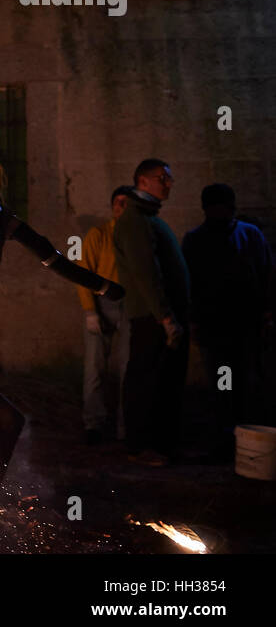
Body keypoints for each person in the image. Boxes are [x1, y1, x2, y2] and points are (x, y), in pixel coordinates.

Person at [182, 183, 273, 457]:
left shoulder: (248, 235)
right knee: (223, 383)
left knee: (246, 381)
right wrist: (195, 320)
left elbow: (266, 272)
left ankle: (246, 438)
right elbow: (191, 283)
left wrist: (266, 312)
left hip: (245, 324)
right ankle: (225, 438)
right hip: (216, 327)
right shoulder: (197, 239)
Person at [113, 158, 190, 466]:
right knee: (146, 380)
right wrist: (165, 317)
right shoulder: (135, 220)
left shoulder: (148, 218)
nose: (168, 183)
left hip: (158, 316)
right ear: (142, 181)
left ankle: (160, 444)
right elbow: (146, 273)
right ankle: (139, 446)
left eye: (169, 178)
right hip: (151, 319)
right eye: (162, 178)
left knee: (162, 382)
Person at [75, 185, 135, 444]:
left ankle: (127, 426)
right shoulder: (98, 235)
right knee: (94, 367)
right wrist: (90, 311)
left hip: (131, 306)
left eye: (126, 203)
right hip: (102, 305)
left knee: (129, 368)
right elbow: (83, 273)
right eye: (117, 203)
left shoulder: (138, 236)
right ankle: (94, 425)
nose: (121, 207)